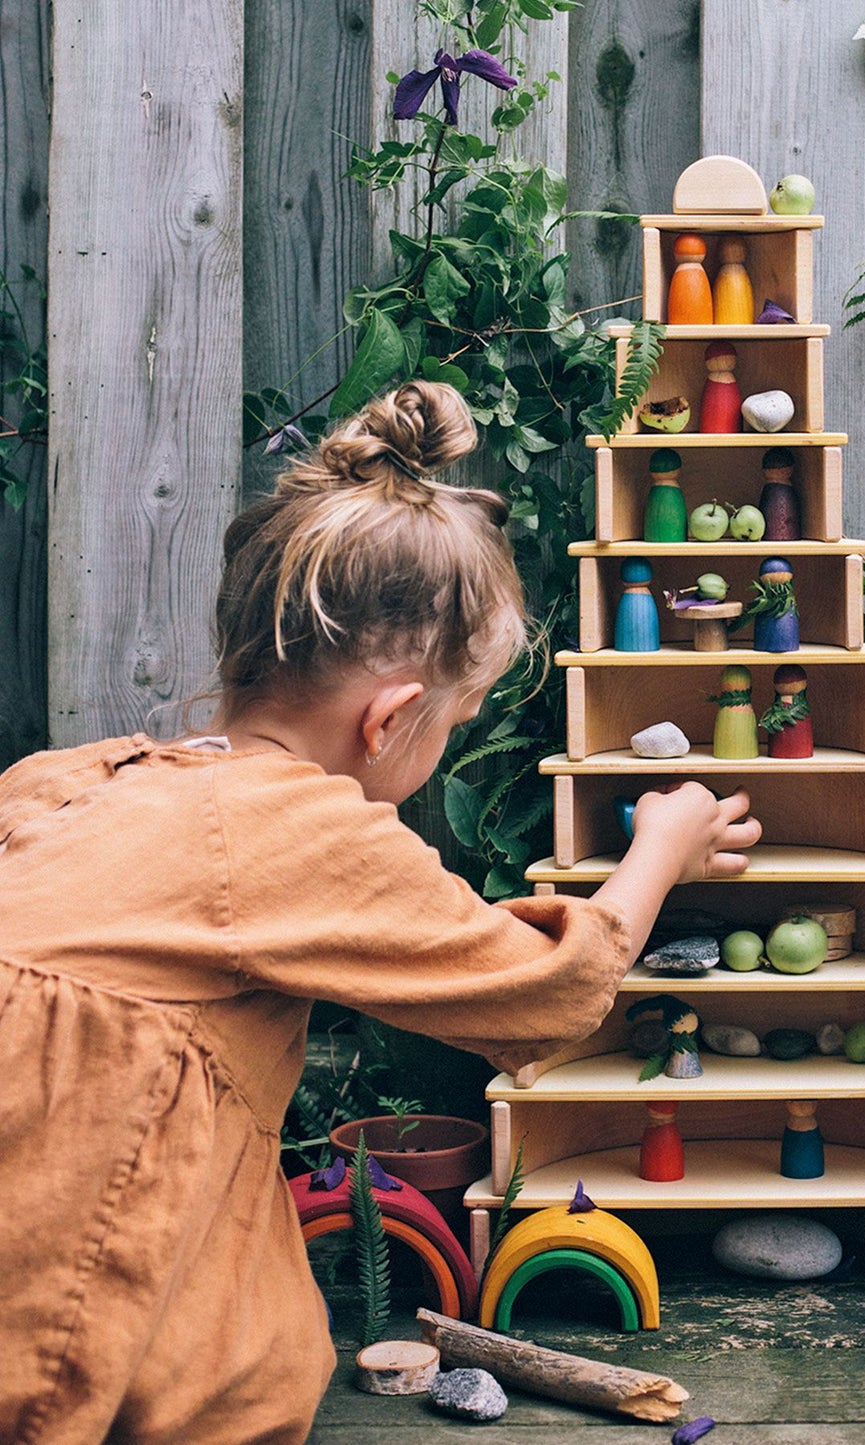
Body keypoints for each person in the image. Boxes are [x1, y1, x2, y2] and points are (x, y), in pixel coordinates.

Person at [0, 380, 760, 1444]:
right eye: (457, 720)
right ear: (393, 717)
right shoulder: (301, 829)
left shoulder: (66, 778)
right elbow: (546, 993)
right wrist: (660, 851)